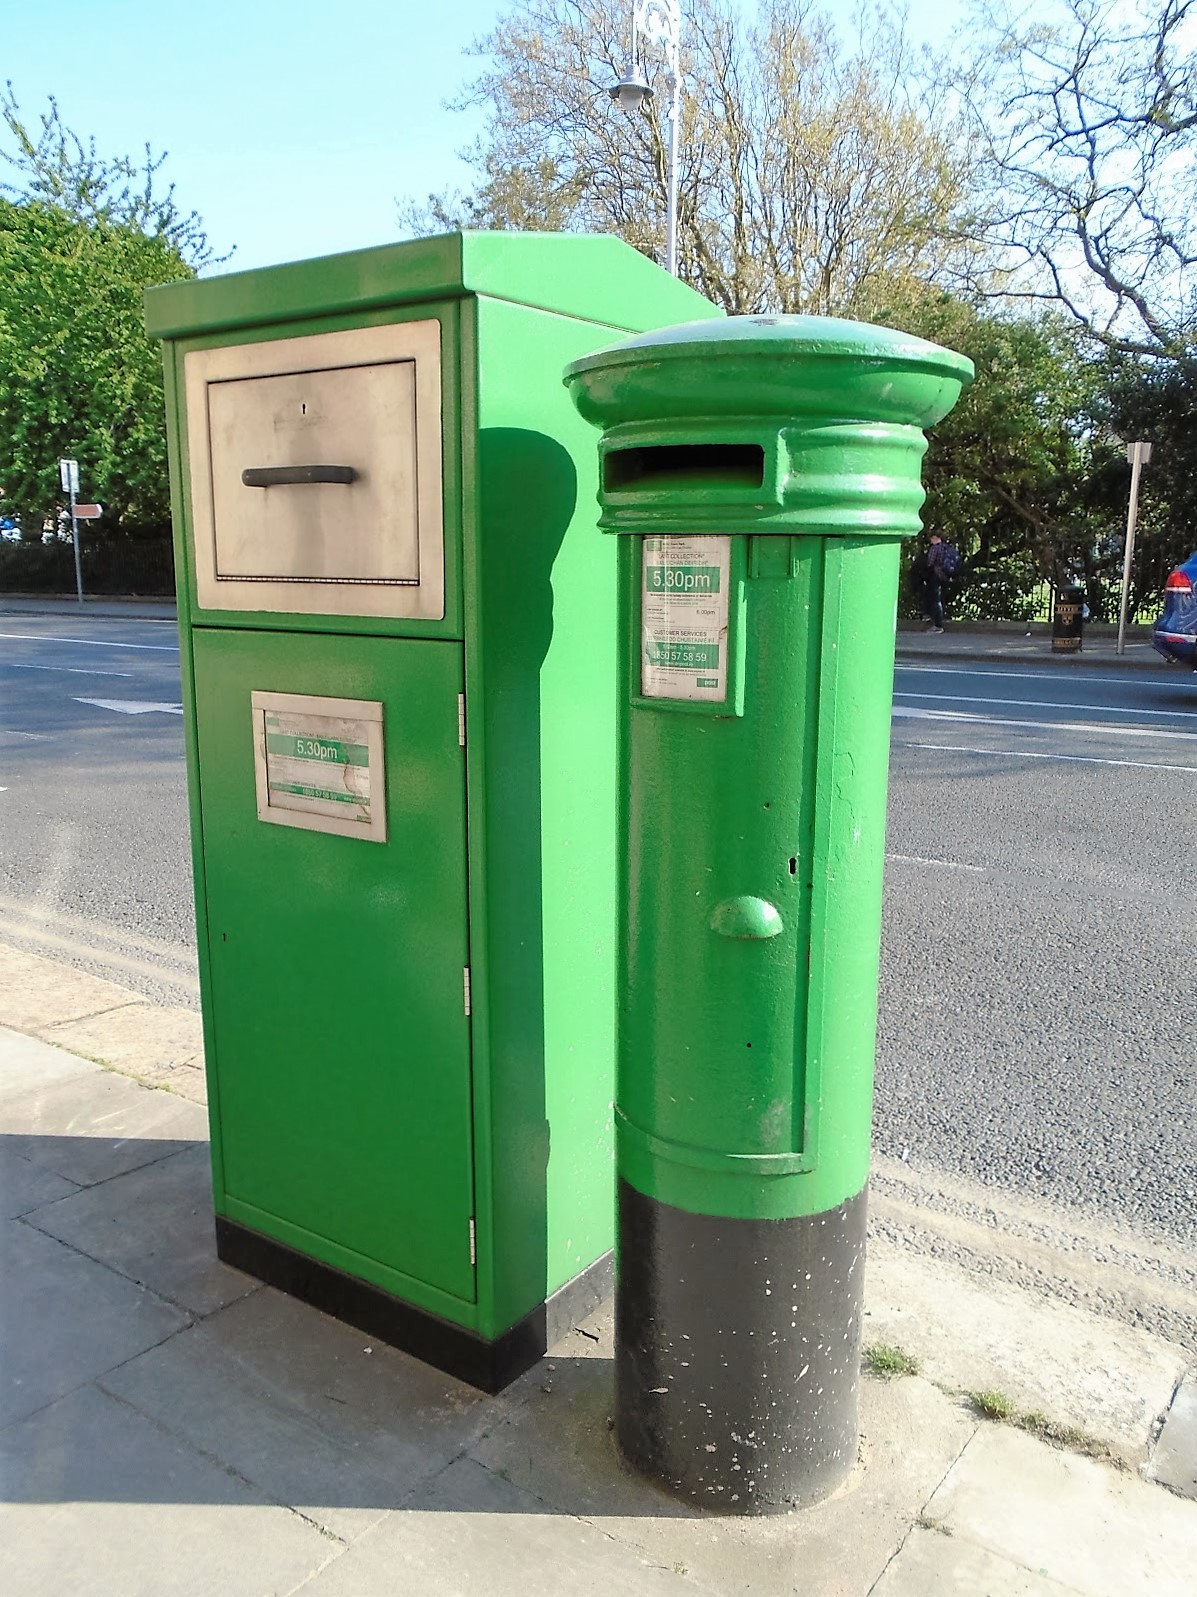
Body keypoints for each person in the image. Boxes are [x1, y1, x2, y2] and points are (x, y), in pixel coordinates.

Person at [923, 532, 960, 633]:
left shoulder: (935, 548)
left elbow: (930, 562)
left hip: (936, 574)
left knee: (935, 599)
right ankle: (937, 620)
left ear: (936, 537)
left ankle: (937, 625)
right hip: (946, 576)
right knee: (940, 599)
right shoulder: (948, 548)